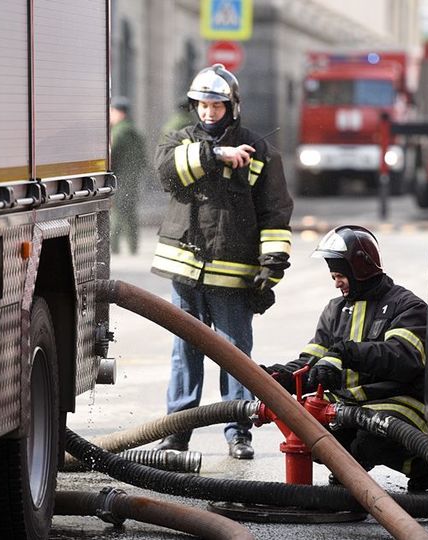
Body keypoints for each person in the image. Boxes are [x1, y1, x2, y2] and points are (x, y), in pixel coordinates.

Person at [151, 63, 294, 459]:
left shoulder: (261, 152)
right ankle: (177, 432)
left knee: (234, 355)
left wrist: (271, 269)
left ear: (231, 106)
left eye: (216, 106)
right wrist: (216, 155)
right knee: (186, 352)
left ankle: (238, 432)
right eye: (202, 106)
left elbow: (275, 214)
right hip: (186, 271)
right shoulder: (179, 142)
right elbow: (165, 173)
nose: (208, 113)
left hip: (233, 276)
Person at [263, 225, 428, 491]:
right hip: (348, 404)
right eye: (333, 276)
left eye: (340, 275)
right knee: (309, 430)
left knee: (369, 440)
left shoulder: (406, 306)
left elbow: (403, 357)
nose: (336, 283)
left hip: (398, 401)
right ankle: (349, 468)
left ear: (360, 269)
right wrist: (282, 376)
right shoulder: (335, 310)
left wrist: (348, 353)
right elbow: (313, 359)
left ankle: (424, 466)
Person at [109, 96, 148, 254]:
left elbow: (112, 157)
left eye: (112, 111)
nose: (110, 115)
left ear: (120, 113)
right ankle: (133, 247)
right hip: (132, 180)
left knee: (117, 214)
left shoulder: (118, 132)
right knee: (130, 213)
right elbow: (143, 160)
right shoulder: (135, 131)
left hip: (119, 180)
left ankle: (113, 248)